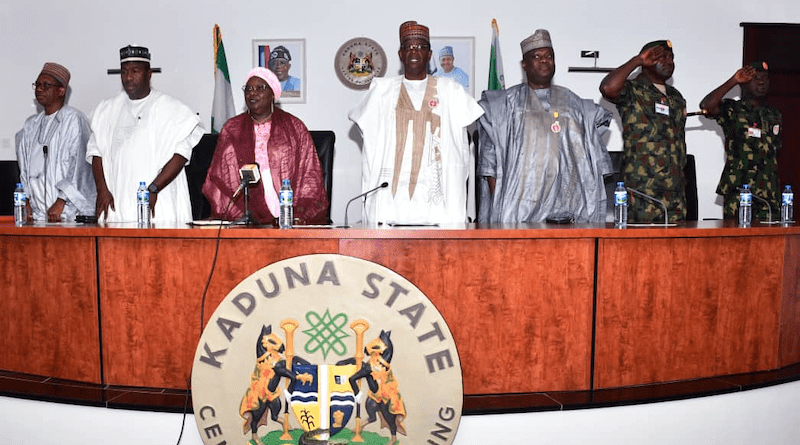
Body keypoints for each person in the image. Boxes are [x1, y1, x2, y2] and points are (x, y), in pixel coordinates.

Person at [349, 20, 483, 225]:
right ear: (400, 54)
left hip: (440, 211)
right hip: (389, 209)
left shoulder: (451, 91)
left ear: (429, 55)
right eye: (409, 46)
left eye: (421, 46)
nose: (414, 51)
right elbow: (363, 124)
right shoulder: (381, 92)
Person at [477, 29, 613, 223]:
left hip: (569, 209)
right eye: (537, 56)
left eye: (549, 56)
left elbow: (593, 158)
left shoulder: (573, 102)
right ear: (524, 64)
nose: (544, 60)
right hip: (519, 210)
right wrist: (502, 210)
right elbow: (491, 165)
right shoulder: (504, 104)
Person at [87, 45, 204, 224]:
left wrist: (154, 188)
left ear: (149, 73)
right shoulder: (106, 110)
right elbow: (96, 153)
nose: (128, 77)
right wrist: (102, 189)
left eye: (135, 71)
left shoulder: (172, 109)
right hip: (116, 203)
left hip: (158, 201)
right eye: (124, 72)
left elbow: (181, 155)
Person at [202, 67, 328, 224]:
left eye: (260, 88)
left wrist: (299, 214)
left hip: (287, 203)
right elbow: (222, 173)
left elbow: (308, 172)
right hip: (244, 205)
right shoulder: (232, 128)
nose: (252, 93)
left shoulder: (294, 127)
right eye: (248, 89)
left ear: (273, 95)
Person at [600, 40, 687, 223]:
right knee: (640, 248)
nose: (668, 61)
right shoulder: (633, 89)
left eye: (671, 57)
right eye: (661, 57)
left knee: (677, 249)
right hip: (642, 192)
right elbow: (608, 88)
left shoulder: (676, 97)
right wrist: (637, 60)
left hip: (675, 192)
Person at [699, 61, 782, 220]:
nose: (762, 81)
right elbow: (707, 106)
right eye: (756, 78)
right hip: (740, 191)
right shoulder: (733, 109)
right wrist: (733, 80)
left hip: (768, 192)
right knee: (738, 241)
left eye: (765, 78)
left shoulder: (774, 115)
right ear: (744, 83)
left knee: (770, 241)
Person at [15, 62, 95, 222]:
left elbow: (80, 167)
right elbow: (24, 169)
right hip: (38, 215)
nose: (39, 89)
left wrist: (61, 201)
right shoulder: (31, 125)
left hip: (67, 213)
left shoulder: (73, 119)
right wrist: (27, 200)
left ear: (61, 90)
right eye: (37, 85)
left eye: (46, 85)